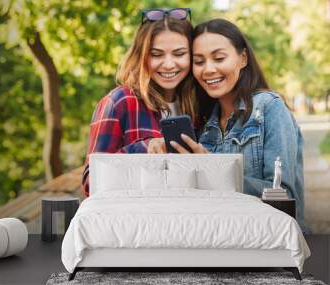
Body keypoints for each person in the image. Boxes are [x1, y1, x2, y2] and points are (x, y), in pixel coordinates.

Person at [163, 18, 307, 230]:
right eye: (199, 61)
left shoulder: (269, 108)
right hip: (222, 242)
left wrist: (213, 170)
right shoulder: (203, 125)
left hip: (269, 243)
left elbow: (284, 194)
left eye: (219, 58)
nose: (208, 69)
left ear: (243, 59)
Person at [81, 8, 197, 196]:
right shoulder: (120, 102)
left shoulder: (198, 105)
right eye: (157, 55)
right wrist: (145, 148)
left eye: (179, 54)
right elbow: (91, 182)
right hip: (137, 219)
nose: (168, 64)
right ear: (141, 56)